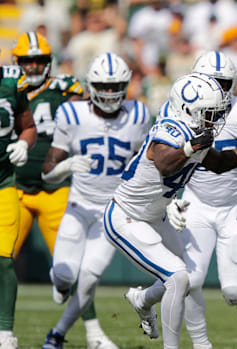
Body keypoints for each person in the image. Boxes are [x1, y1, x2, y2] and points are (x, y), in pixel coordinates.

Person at [107, 73, 237, 349]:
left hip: (155, 217)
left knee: (186, 279)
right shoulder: (172, 126)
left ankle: (142, 300)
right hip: (126, 216)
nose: (214, 120)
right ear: (189, 109)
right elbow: (165, 163)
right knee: (177, 277)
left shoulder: (195, 134)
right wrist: (193, 145)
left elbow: (219, 163)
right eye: (208, 113)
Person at [11, 33, 117, 349]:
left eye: (39, 60)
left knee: (73, 267)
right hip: (12, 188)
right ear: (16, 62)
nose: (33, 66)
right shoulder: (6, 90)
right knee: (2, 261)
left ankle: (95, 332)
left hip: (55, 188)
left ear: (49, 62)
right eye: (27, 60)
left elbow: (91, 121)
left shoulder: (65, 88)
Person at [40, 53, 149, 349]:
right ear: (91, 85)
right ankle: (60, 285)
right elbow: (47, 172)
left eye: (116, 86)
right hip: (78, 206)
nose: (110, 92)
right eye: (104, 86)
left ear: (126, 86)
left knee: (88, 280)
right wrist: (65, 167)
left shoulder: (138, 115)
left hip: (112, 214)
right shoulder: (71, 114)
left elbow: (146, 164)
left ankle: (57, 334)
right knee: (64, 277)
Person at [161, 51, 237, 347]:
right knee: (189, 281)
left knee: (232, 291)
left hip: (236, 203)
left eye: (223, 82)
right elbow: (159, 158)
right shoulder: (178, 107)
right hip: (196, 201)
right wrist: (167, 197)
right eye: (210, 81)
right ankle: (202, 343)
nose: (217, 89)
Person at [0, 63, 36, 349]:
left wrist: (24, 143)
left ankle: (4, 332)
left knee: (4, 259)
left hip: (3, 182)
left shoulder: (12, 83)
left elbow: (28, 127)